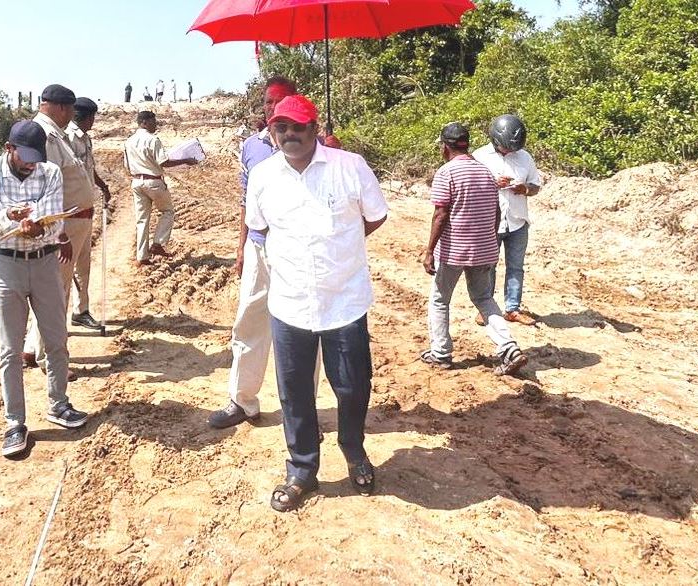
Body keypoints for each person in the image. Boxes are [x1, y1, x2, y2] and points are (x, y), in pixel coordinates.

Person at [245, 95, 388, 511]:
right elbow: (258, 226)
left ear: (315, 128)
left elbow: (376, 215)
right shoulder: (263, 175)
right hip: (289, 302)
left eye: (298, 127)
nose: (289, 134)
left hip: (344, 300)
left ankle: (354, 450)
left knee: (353, 385)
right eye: (281, 127)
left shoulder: (350, 166)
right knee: (294, 393)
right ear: (272, 131)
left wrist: (343, 245)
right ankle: (302, 470)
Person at [0, 120, 90, 457]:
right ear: (9, 148)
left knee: (56, 340)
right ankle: (15, 423)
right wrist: (7, 217)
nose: (31, 163)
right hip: (6, 265)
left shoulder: (49, 172)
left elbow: (55, 220)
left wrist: (38, 229)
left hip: (45, 263)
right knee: (9, 349)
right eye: (24, 157)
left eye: (35, 157)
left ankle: (59, 404)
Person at [209, 76, 307, 429]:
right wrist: (241, 249)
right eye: (267, 102)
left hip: (299, 253)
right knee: (249, 321)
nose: (270, 108)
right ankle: (242, 400)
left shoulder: (316, 145)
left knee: (302, 329)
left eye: (278, 102)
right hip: (259, 249)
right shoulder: (251, 146)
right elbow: (245, 202)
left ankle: (303, 410)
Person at [420, 122, 529, 377]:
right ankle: (509, 348)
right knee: (483, 299)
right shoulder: (485, 172)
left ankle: (440, 352)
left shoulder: (446, 174)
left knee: (439, 299)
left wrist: (429, 251)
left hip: (454, 251)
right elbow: (497, 211)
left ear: (444, 147)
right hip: (485, 249)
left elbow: (440, 214)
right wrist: (489, 240)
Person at [23, 84, 94, 379]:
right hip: (63, 225)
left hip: (72, 222)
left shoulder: (54, 133)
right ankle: (50, 360)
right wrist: (59, 231)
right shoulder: (47, 135)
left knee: (53, 290)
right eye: (70, 111)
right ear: (63, 108)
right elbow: (43, 188)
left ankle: (31, 347)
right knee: (56, 295)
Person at [473, 114, 542, 326]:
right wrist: (493, 184)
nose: (510, 152)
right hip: (489, 221)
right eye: (506, 148)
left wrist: (526, 189)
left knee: (516, 267)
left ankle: (512, 308)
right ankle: (486, 308)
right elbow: (470, 188)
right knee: (488, 265)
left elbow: (536, 186)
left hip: (518, 220)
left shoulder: (525, 158)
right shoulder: (479, 156)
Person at [123, 111, 197, 266]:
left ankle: (142, 256)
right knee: (168, 211)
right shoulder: (153, 140)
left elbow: (126, 165)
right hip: (153, 181)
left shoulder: (128, 141)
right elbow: (163, 162)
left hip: (137, 181)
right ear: (144, 122)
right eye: (153, 121)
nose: (155, 124)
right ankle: (158, 243)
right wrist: (185, 160)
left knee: (142, 220)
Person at [66, 97, 111, 330]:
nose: (94, 122)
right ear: (87, 117)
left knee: (83, 264)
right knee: (66, 269)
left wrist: (102, 186)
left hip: (84, 212)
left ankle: (80, 311)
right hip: (70, 214)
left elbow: (88, 168)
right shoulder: (68, 138)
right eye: (93, 117)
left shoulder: (86, 138)